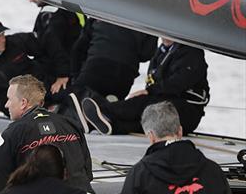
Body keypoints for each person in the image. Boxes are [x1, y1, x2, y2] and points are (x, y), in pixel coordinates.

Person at [0, 74, 92, 194]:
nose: (6, 104)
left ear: (23, 102)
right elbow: (87, 174)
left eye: (9, 99)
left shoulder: (12, 133)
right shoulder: (71, 124)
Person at [77, 38, 210, 135]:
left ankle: (105, 110)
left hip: (187, 111)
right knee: (144, 117)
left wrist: (149, 91)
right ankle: (111, 125)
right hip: (168, 108)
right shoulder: (162, 52)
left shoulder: (191, 52)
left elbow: (179, 82)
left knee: (145, 102)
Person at [0, 16, 69, 116]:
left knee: (72, 95)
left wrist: (62, 74)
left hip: (47, 91)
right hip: (21, 111)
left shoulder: (16, 42)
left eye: (3, 34)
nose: (2, 39)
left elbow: (48, 41)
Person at [68, 19, 156, 103]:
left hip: (96, 65)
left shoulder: (104, 10)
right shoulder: (147, 17)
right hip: (124, 73)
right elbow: (146, 54)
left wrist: (75, 77)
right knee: (111, 110)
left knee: (76, 102)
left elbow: (79, 48)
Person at [29, 0, 83, 95]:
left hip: (64, 71)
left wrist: (63, 74)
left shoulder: (49, 15)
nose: (30, 0)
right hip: (77, 62)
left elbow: (54, 44)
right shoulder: (66, 6)